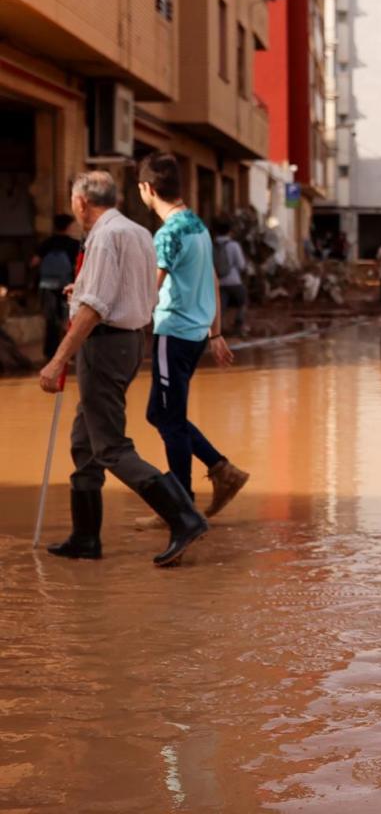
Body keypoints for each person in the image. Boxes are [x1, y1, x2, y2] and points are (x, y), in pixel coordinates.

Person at [37, 171, 207, 567]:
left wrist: (58, 359)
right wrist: (78, 292)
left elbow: (95, 308)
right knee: (85, 439)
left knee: (110, 446)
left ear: (81, 202)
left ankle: (184, 517)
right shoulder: (137, 231)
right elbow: (136, 290)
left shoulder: (104, 236)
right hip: (131, 340)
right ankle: (85, 538)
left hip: (106, 344)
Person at [138, 152, 250, 519]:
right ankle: (221, 470)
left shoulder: (168, 233)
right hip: (196, 333)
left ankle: (180, 506)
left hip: (174, 332)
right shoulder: (197, 226)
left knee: (169, 418)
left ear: (147, 189)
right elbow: (213, 280)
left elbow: (150, 291)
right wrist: (215, 333)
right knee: (160, 412)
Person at [32, 213, 79, 360]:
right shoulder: (74, 244)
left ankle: (50, 353)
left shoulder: (47, 243)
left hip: (47, 287)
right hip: (68, 287)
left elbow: (34, 262)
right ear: (69, 226)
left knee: (51, 321)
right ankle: (70, 353)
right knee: (70, 320)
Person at [213, 217, 248, 336]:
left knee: (221, 307)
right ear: (229, 231)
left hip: (218, 282)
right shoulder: (234, 245)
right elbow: (241, 265)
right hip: (234, 282)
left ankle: (221, 329)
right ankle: (238, 324)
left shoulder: (212, 245)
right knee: (242, 301)